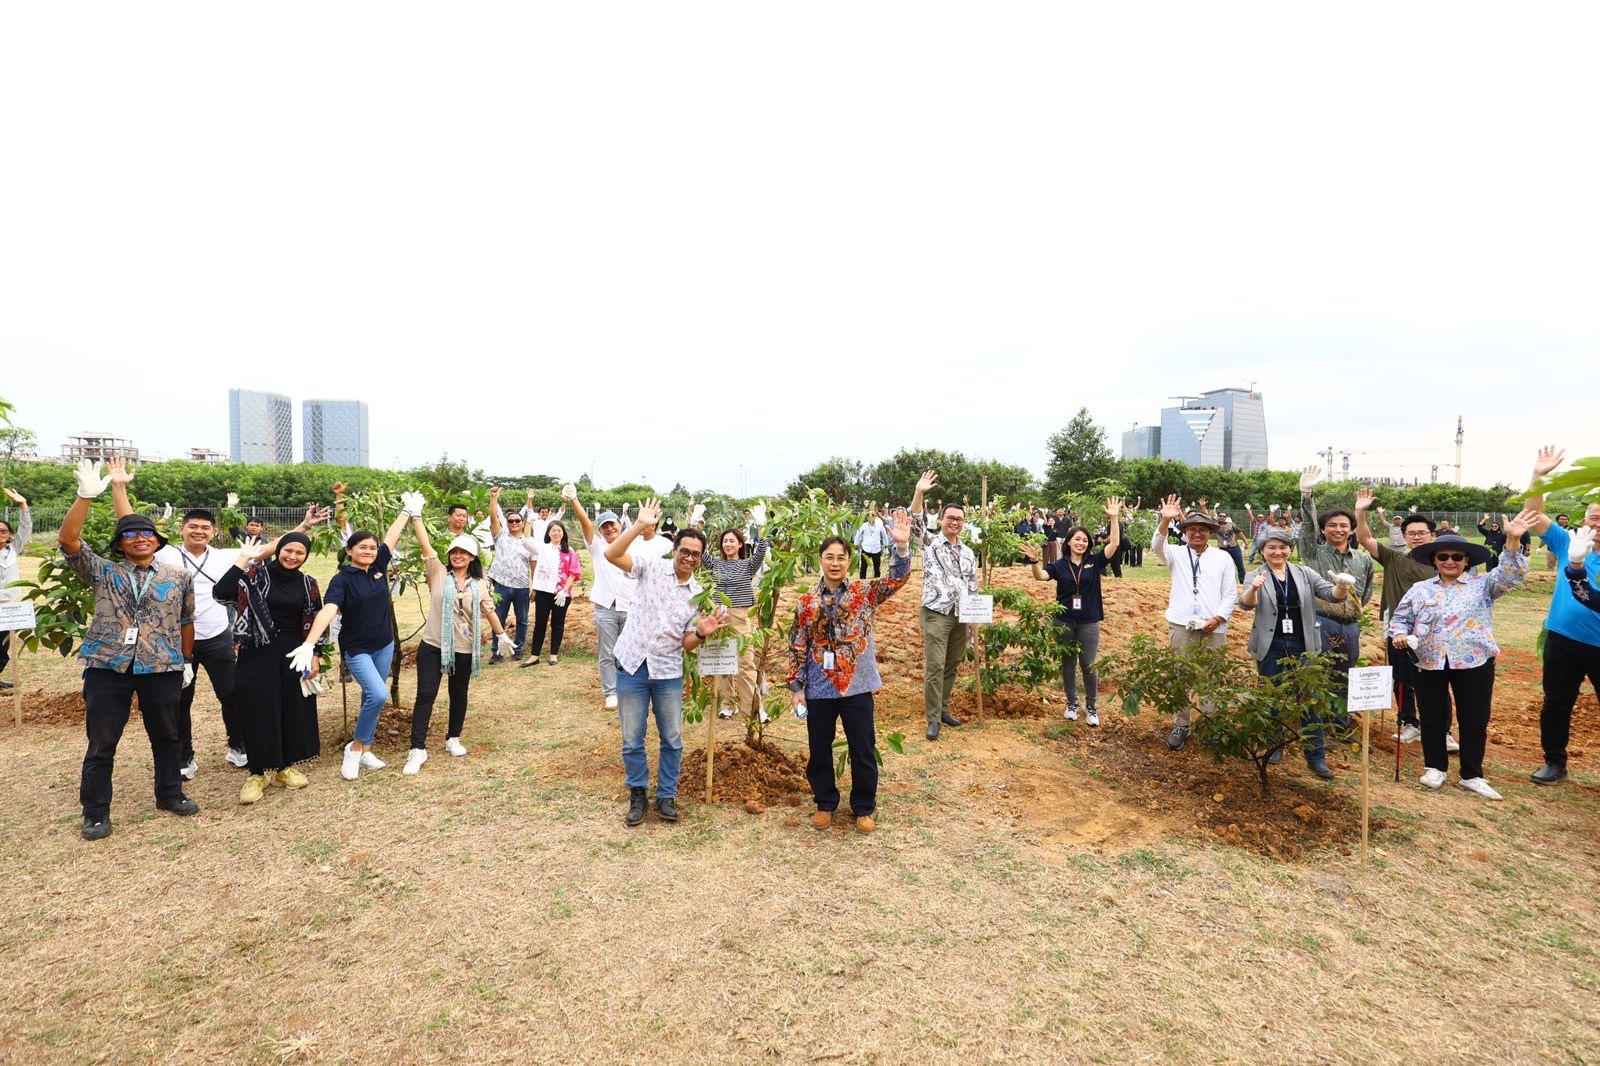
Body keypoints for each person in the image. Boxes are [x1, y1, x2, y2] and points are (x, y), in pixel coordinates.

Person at [59, 459, 197, 840]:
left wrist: (186, 660)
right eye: (130, 534)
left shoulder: (178, 577)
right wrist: (86, 497)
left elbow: (187, 620)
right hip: (108, 666)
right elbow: (69, 541)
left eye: (146, 533)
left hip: (162, 667)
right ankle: (96, 812)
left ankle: (169, 793)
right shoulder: (104, 572)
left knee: (167, 735)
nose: (140, 538)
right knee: (102, 741)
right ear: (120, 544)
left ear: (157, 541)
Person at [1388, 512, 1536, 800]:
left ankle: (1472, 774)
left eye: (1457, 557)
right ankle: (1435, 767)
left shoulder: (1483, 585)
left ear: (1467, 560)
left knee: (1474, 719)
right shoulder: (1419, 590)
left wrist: (1513, 540)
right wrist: (1400, 634)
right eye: (1443, 557)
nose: (1450, 561)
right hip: (1430, 660)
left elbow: (1512, 574)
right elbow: (1400, 618)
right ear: (1434, 560)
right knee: (1432, 716)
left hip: (1474, 661)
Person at [787, 512, 913, 834]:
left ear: (849, 561)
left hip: (857, 685)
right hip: (819, 686)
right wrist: (797, 687)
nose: (835, 563)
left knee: (862, 747)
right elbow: (798, 644)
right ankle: (825, 802)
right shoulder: (806, 602)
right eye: (829, 557)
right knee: (819, 747)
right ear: (820, 560)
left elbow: (896, 579)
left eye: (841, 558)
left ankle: (863, 807)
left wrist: (901, 547)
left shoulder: (862, 592)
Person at [604, 499, 726, 827]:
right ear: (674, 549)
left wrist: (701, 633)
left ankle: (667, 796)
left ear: (701, 558)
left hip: (668, 672)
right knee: (632, 738)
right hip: (632, 665)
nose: (689, 558)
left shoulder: (697, 594)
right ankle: (638, 794)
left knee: (672, 738)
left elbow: (686, 643)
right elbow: (612, 554)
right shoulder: (651, 567)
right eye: (684, 551)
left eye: (696, 554)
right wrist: (638, 526)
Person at [289, 495, 417, 780]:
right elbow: (329, 610)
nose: (369, 551)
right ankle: (355, 748)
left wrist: (407, 512)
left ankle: (366, 749)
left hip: (384, 644)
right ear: (349, 550)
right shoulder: (342, 579)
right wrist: (309, 643)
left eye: (372, 547)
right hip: (357, 648)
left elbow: (392, 536)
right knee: (379, 694)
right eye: (362, 547)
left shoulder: (378, 567)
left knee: (371, 696)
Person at [213, 529, 327, 804]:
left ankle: (284, 767)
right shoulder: (255, 575)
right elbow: (221, 592)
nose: (293, 556)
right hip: (256, 651)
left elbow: (315, 618)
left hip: (294, 654)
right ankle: (257, 773)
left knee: (291, 708)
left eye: (300, 553)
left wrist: (315, 655)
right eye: (288, 550)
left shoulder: (307, 583)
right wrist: (243, 560)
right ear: (279, 550)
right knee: (256, 708)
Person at [1238, 528, 1356, 779]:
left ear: (1290, 549)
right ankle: (1274, 746)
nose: (1277, 552)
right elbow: (1246, 604)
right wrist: (1254, 589)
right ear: (1262, 550)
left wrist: (1342, 587)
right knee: (1272, 698)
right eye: (1271, 547)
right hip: (1272, 644)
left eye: (1283, 547)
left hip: (1304, 645)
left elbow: (1331, 596)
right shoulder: (1255, 575)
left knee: (1309, 700)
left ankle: (1316, 756)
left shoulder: (1304, 573)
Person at [402, 524, 515, 775]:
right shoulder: (438, 573)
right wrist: (416, 517)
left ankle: (453, 737)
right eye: (454, 552)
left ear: (472, 556)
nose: (458, 555)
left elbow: (488, 610)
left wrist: (501, 635)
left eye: (464, 552)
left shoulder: (480, 584)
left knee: (459, 693)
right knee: (425, 695)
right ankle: (417, 749)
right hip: (433, 645)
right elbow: (425, 545)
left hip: (464, 647)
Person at [1523, 446, 1600, 785]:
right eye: (1593, 516)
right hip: (1563, 640)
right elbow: (1534, 515)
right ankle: (1555, 762)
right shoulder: (1569, 543)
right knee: (1556, 703)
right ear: (1585, 520)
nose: (1597, 522)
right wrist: (1539, 476)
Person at [1353, 490, 1454, 748]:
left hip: (1435, 632)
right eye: (1412, 533)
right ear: (1405, 536)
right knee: (1402, 679)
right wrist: (1360, 512)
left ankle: (1442, 731)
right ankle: (1410, 723)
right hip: (1398, 630)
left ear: (1432, 535)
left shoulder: (1444, 563)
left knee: (1437, 680)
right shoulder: (1394, 558)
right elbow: (1364, 538)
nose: (1417, 537)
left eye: (1422, 533)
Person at [1020, 497, 1122, 726]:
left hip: (1089, 621)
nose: (1081, 543)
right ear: (1068, 542)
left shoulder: (1095, 561)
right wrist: (1034, 561)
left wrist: (1114, 518)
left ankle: (1092, 707)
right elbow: (1041, 576)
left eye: (1085, 540)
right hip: (1063, 621)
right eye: (1077, 539)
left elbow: (1114, 544)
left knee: (1089, 664)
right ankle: (1072, 704)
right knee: (1067, 663)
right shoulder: (1059, 565)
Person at [1151, 495, 1239, 751]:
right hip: (1182, 624)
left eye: (1202, 529)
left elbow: (1230, 593)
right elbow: (1157, 545)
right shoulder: (1176, 554)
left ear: (1210, 532)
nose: (1197, 534)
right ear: (1185, 532)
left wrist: (1218, 618)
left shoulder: (1223, 558)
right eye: (1192, 529)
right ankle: (1181, 724)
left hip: (1214, 626)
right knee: (1182, 675)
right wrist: (1165, 521)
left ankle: (1210, 724)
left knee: (1211, 676)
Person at [1297, 467, 1376, 718]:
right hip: (1321, 621)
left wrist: (1350, 611)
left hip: (1350, 625)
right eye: (1332, 525)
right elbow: (1307, 527)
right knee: (1316, 671)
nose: (1338, 529)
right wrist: (1306, 495)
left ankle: (1339, 723)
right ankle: (1314, 725)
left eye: (1344, 525)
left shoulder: (1363, 560)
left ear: (1352, 530)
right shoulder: (1313, 552)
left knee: (1345, 674)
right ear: (1323, 530)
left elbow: (1366, 593)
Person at [908, 470, 975, 741]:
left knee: (951, 664)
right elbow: (915, 523)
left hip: (961, 615)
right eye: (951, 518)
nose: (955, 522)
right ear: (942, 519)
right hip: (936, 612)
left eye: (959, 519)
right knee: (935, 665)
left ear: (963, 523)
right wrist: (919, 492)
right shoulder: (931, 542)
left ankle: (943, 708)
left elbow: (972, 585)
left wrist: (973, 619)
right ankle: (933, 718)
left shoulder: (968, 552)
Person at [701, 526, 770, 720]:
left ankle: (754, 708)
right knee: (723, 662)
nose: (728, 544)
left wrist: (762, 531)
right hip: (718, 616)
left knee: (745, 663)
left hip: (740, 616)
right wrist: (695, 525)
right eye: (725, 541)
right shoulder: (715, 564)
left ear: (740, 544)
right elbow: (701, 551)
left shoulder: (747, 565)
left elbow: (760, 552)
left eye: (732, 541)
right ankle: (727, 704)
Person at [573, 490, 633, 710]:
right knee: (607, 652)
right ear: (601, 530)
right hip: (606, 607)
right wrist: (574, 500)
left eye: (612, 524)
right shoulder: (597, 546)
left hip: (629, 605)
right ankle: (611, 692)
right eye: (604, 526)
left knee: (629, 650)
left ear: (620, 525)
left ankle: (628, 688)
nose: (609, 529)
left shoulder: (632, 545)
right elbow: (585, 523)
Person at [486, 486, 538, 663]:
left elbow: (533, 566)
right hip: (501, 585)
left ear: (523, 523)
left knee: (522, 620)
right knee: (498, 619)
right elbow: (493, 517)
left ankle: (519, 648)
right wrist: (493, 498)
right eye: (511, 521)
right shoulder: (500, 536)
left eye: (517, 521)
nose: (514, 523)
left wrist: (535, 587)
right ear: (507, 523)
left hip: (522, 587)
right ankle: (497, 651)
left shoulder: (529, 542)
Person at [522, 518, 582, 667]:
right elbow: (526, 541)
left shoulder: (569, 551)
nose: (556, 533)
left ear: (563, 533)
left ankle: (553, 654)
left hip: (561, 594)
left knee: (557, 624)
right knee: (540, 623)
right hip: (543, 592)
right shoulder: (543, 548)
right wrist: (528, 522)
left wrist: (564, 590)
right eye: (553, 530)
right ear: (548, 533)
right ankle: (534, 655)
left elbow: (573, 572)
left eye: (559, 530)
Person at [0, 487, 31, 689]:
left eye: (3, 531)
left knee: (2, 646)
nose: (0, 535)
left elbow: (25, 529)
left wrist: (23, 505)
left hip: (7, 606)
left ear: (10, 534)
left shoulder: (13, 549)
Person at [852, 506, 887, 579]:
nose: (870, 517)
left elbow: (884, 535)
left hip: (876, 549)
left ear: (875, 517)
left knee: (877, 567)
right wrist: (856, 547)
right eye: (868, 516)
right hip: (866, 548)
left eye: (872, 515)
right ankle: (862, 581)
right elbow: (858, 535)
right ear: (867, 518)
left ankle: (877, 581)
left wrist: (886, 546)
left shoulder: (880, 525)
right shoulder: (863, 525)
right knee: (863, 567)